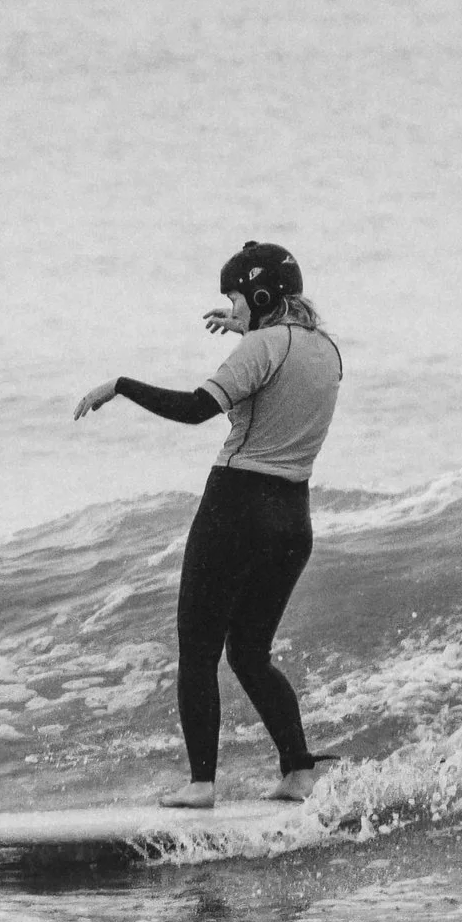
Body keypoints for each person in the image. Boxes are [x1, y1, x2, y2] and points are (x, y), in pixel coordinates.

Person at [74, 242, 342, 807]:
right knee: (249, 654)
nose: (232, 307)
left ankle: (200, 785)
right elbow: (279, 378)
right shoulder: (326, 350)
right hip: (293, 519)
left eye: (238, 297)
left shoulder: (262, 346)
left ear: (262, 295)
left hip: (237, 507)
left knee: (198, 650)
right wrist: (250, 330)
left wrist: (122, 385)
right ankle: (298, 771)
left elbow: (197, 408)